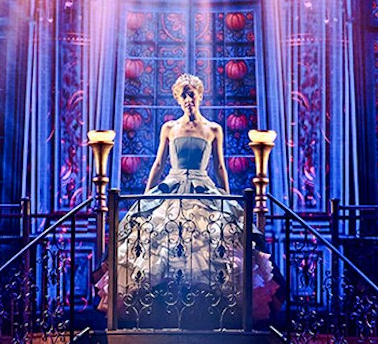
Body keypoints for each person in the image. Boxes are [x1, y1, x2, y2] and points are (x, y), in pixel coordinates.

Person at [108, 73, 277, 326]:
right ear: (178, 99)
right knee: (159, 241)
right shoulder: (169, 128)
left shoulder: (213, 129)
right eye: (184, 95)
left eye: (192, 94)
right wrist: (145, 196)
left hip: (202, 186)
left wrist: (226, 197)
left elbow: (220, 166)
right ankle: (160, 308)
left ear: (200, 95)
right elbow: (158, 163)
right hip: (172, 185)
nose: (189, 99)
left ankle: (215, 310)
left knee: (216, 241)